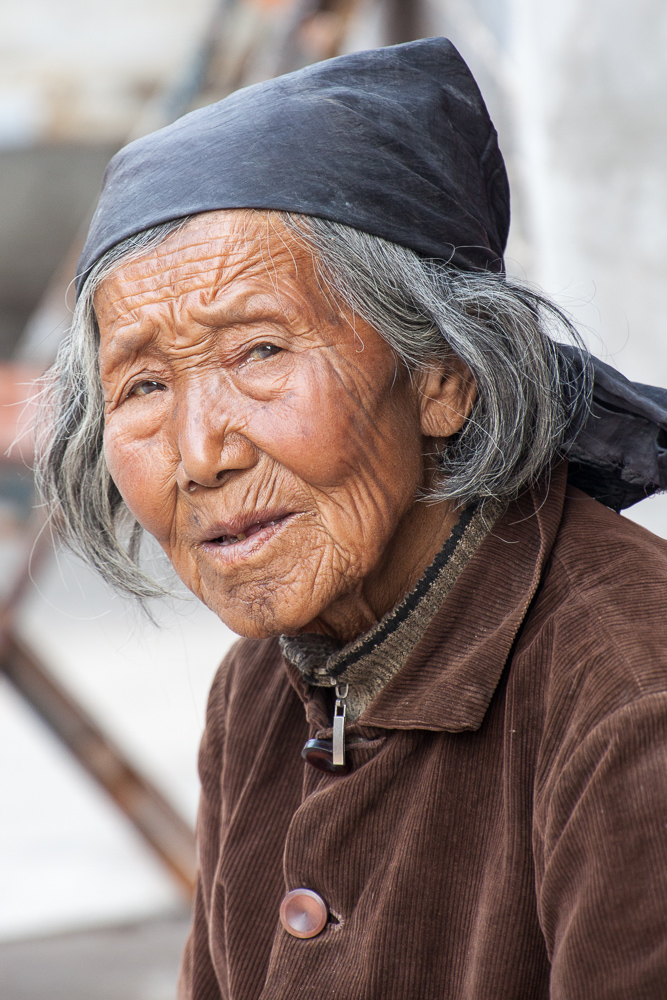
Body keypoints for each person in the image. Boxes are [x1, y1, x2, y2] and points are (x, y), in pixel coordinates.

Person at [36, 37, 667, 1000]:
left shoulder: (628, 703)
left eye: (258, 351)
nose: (202, 451)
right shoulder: (260, 686)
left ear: (445, 375)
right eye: (146, 384)